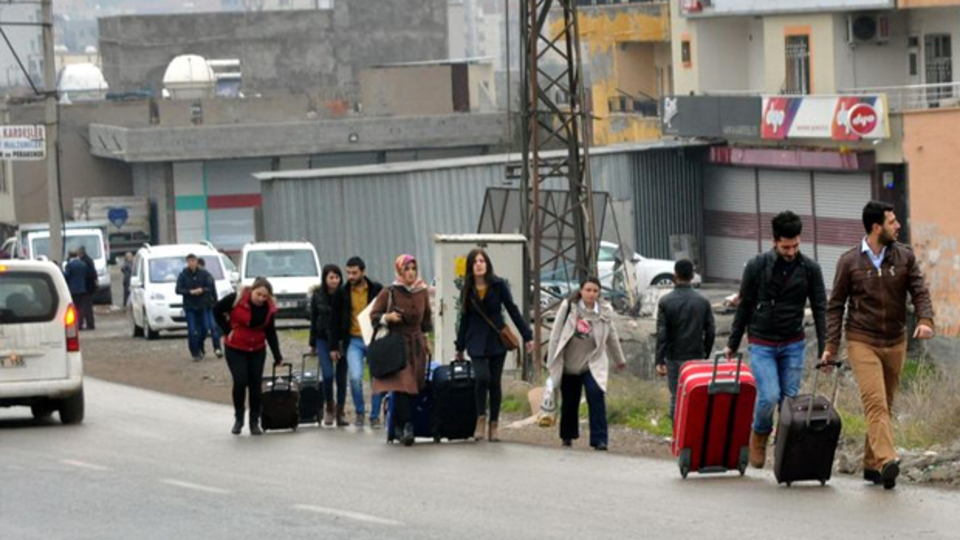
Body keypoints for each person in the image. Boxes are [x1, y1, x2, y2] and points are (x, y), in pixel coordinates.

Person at [823, 201, 934, 490]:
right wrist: (831, 346)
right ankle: (887, 461)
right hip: (862, 340)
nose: (898, 226)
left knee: (886, 404)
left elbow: (920, 291)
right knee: (875, 403)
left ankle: (872, 464)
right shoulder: (849, 262)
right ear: (876, 228)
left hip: (895, 340)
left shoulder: (904, 256)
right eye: (892, 222)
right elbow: (835, 306)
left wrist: (925, 320)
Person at [723, 211, 827, 469]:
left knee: (789, 401)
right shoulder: (757, 266)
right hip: (762, 342)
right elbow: (744, 305)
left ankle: (785, 446)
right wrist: (732, 343)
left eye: (795, 246)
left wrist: (825, 349)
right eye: (785, 247)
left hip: (793, 342)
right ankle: (759, 435)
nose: (791, 252)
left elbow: (820, 309)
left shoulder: (810, 269)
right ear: (774, 241)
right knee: (769, 396)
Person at [454, 248, 534, 442]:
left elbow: (512, 309)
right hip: (475, 340)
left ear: (487, 264)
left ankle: (494, 425)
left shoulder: (498, 285)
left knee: (494, 382)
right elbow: (464, 318)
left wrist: (527, 336)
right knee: (482, 378)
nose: (479, 264)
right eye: (475, 262)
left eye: (482, 261)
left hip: (496, 339)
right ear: (470, 267)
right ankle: (481, 418)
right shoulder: (467, 288)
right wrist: (460, 346)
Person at [546, 276, 627, 451]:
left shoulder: (604, 311)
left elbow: (611, 335)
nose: (591, 294)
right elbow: (555, 335)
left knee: (596, 395)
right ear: (581, 291)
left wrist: (619, 359)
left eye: (595, 291)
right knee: (570, 401)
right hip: (569, 362)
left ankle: (599, 439)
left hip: (593, 362)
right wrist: (551, 362)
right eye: (588, 290)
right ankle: (567, 436)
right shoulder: (569, 307)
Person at [370, 254, 433, 447]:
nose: (411, 273)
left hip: (416, 345)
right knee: (403, 385)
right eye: (407, 269)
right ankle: (407, 427)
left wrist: (427, 340)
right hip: (397, 345)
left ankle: (397, 426)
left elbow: (426, 320)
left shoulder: (422, 291)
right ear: (399, 271)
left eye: (413, 269)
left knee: (414, 386)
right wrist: (388, 317)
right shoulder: (390, 291)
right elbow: (373, 315)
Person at [214, 277, 284, 436]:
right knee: (240, 381)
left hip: (257, 348)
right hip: (235, 347)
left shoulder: (268, 308)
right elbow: (216, 310)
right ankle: (239, 418)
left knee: (255, 385)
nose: (261, 299)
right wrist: (226, 330)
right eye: (258, 294)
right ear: (252, 290)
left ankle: (254, 421)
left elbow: (270, 332)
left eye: (265, 296)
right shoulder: (236, 298)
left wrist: (278, 356)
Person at [655, 259, 715, 425]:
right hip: (696, 356)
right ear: (692, 275)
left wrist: (659, 360)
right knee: (697, 396)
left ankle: (677, 434)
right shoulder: (703, 301)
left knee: (676, 397)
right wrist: (705, 354)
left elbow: (662, 334)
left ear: (675, 274)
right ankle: (695, 433)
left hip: (674, 356)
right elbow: (710, 331)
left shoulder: (665, 302)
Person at [330, 256, 384, 428]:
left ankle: (374, 415)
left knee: (377, 378)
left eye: (354, 273)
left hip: (373, 339)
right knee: (355, 377)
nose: (351, 276)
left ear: (363, 272)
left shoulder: (377, 289)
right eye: (348, 273)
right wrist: (334, 346)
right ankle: (360, 412)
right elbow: (334, 320)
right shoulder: (342, 293)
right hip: (353, 340)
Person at [310, 264, 349, 427]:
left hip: (342, 339)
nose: (334, 281)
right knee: (327, 375)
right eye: (331, 277)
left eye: (337, 277)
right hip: (323, 338)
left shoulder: (345, 294)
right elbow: (313, 319)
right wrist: (312, 343)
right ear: (325, 279)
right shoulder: (317, 296)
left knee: (341, 377)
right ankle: (329, 406)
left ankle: (340, 411)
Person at [176, 254, 216, 362]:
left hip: (202, 305)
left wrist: (202, 290)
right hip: (190, 306)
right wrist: (189, 292)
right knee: (192, 330)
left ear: (197, 261)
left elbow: (210, 286)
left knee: (205, 328)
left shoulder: (203, 274)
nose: (191, 263)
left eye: (193, 261)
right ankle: (195, 352)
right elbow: (178, 289)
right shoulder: (183, 275)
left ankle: (200, 344)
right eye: (189, 261)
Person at [197, 257, 223, 359]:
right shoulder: (195, 277)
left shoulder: (208, 276)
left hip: (209, 305)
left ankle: (217, 348)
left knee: (213, 327)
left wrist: (216, 304)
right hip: (200, 307)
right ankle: (200, 346)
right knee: (203, 328)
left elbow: (213, 291)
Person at [64, 251, 91, 325]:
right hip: (82, 289)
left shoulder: (70, 265)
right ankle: (80, 322)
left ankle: (76, 322)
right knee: (81, 307)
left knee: (74, 307)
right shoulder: (83, 264)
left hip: (73, 289)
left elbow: (66, 275)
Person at [77, 246, 97, 330]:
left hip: (87, 287)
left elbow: (90, 274)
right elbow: (94, 274)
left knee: (86, 307)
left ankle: (89, 324)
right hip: (90, 287)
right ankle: (90, 323)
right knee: (87, 306)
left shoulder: (84, 262)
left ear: (81, 252)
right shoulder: (89, 260)